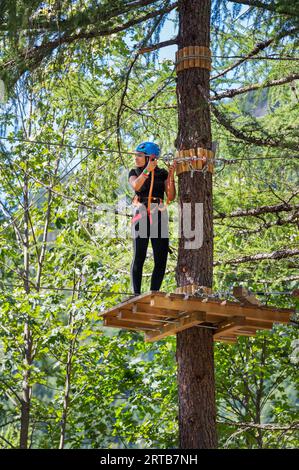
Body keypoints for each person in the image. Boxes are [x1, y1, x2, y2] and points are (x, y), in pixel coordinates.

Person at [128, 141, 176, 295]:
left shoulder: (162, 173)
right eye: (136, 155)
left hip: (158, 212)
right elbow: (136, 186)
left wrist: (171, 175)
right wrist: (147, 171)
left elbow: (171, 195)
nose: (136, 158)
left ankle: (154, 292)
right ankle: (136, 293)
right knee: (139, 254)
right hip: (141, 211)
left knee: (161, 256)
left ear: (150, 157)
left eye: (139, 155)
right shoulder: (134, 172)